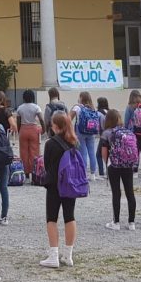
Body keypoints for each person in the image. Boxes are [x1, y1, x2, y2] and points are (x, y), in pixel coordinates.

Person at [39, 113, 80, 268]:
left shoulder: (50, 143)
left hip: (55, 184)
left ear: (56, 126)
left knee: (52, 219)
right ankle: (68, 255)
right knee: (70, 217)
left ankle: (53, 255)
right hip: (70, 184)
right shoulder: (74, 142)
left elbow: (47, 165)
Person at [100, 108, 137, 231]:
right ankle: (131, 222)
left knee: (116, 193)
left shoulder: (106, 133)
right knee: (130, 192)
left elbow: (104, 152)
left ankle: (116, 222)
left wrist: (107, 164)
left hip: (114, 165)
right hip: (128, 164)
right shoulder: (127, 131)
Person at [70, 93, 103, 180]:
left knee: (83, 153)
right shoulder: (92, 108)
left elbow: (68, 118)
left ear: (81, 98)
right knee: (92, 152)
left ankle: (83, 173)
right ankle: (93, 174)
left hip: (80, 132)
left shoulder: (77, 107)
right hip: (91, 132)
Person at [15, 89, 44, 172]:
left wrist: (19, 130)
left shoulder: (20, 108)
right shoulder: (36, 107)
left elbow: (18, 121)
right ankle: (34, 170)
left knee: (23, 152)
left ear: (24, 98)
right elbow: (41, 119)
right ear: (33, 97)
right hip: (33, 130)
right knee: (34, 151)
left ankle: (25, 171)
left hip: (23, 129)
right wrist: (44, 129)